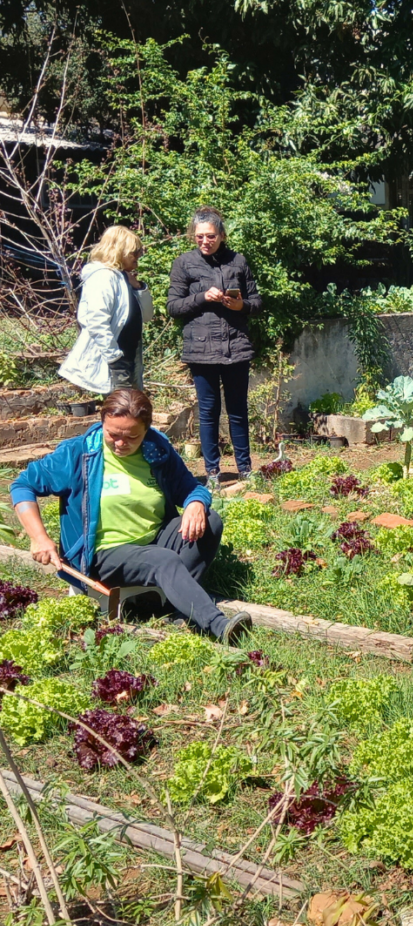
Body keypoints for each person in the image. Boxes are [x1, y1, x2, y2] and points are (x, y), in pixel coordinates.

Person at [10, 388, 252, 644]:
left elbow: (190, 487)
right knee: (163, 560)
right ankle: (218, 625)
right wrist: (39, 537)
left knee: (210, 521)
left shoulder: (156, 450)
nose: (120, 443)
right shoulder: (78, 454)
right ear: (102, 422)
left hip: (152, 539)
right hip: (103, 553)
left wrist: (195, 503)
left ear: (146, 431)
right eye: (113, 434)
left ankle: (172, 607)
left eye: (132, 437)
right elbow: (23, 485)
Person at [167, 206, 262, 489]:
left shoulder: (238, 262)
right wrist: (202, 297)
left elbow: (257, 302)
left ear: (221, 235)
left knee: (238, 410)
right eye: (199, 237)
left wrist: (241, 305)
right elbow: (173, 306)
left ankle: (245, 470)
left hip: (236, 347)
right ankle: (212, 474)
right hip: (201, 349)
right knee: (208, 412)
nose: (204, 242)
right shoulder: (184, 264)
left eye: (210, 236)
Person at [59, 226, 153, 393]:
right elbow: (97, 321)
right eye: (134, 252)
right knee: (123, 413)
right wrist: (114, 359)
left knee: (132, 412)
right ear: (119, 251)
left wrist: (139, 287)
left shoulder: (123, 278)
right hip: (116, 360)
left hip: (130, 357)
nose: (138, 256)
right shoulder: (103, 277)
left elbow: (147, 316)